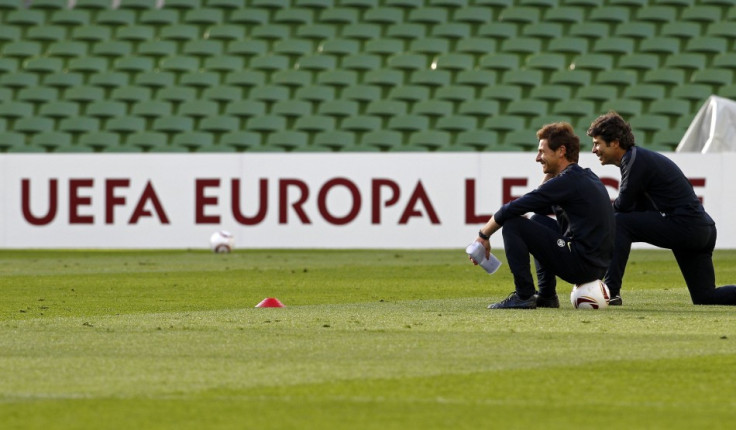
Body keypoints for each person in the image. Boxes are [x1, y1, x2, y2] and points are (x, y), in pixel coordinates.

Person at [588, 111, 736, 305]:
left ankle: (611, 292)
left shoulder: (633, 160)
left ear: (615, 142)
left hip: (686, 227)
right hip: (701, 229)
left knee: (620, 223)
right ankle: (610, 291)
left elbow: (622, 207)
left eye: (597, 143)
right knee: (705, 297)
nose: (594, 150)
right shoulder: (638, 158)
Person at [474, 122, 615, 309]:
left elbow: (514, 208)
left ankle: (523, 295)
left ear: (561, 151)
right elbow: (536, 202)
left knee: (513, 224)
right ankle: (547, 296)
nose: (537, 158)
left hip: (583, 265)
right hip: (595, 263)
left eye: (542, 151)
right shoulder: (582, 176)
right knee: (538, 221)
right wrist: (551, 172)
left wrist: (483, 236)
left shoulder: (566, 182)